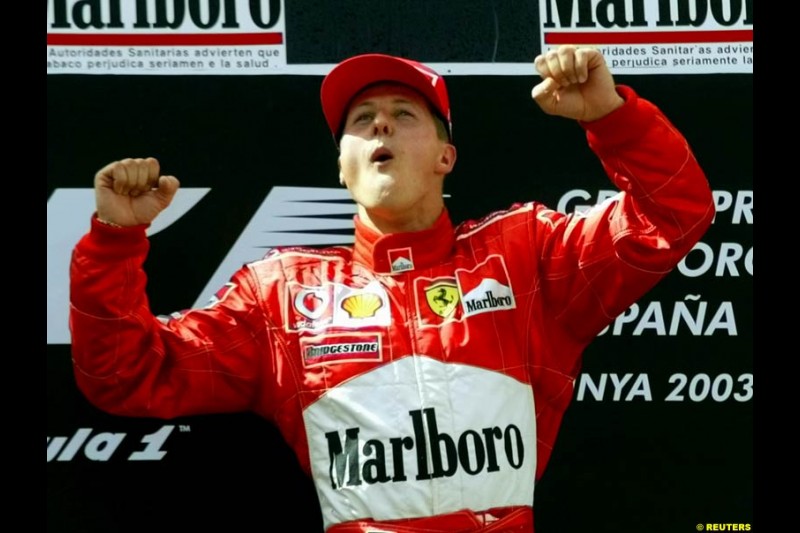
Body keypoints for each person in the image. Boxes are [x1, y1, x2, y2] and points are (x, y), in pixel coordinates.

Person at [69, 45, 715, 532]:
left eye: (403, 113)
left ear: (444, 156)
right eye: (362, 119)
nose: (380, 126)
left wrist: (611, 116)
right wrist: (113, 243)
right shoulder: (281, 296)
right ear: (341, 167)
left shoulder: (527, 254)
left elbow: (675, 215)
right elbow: (126, 374)